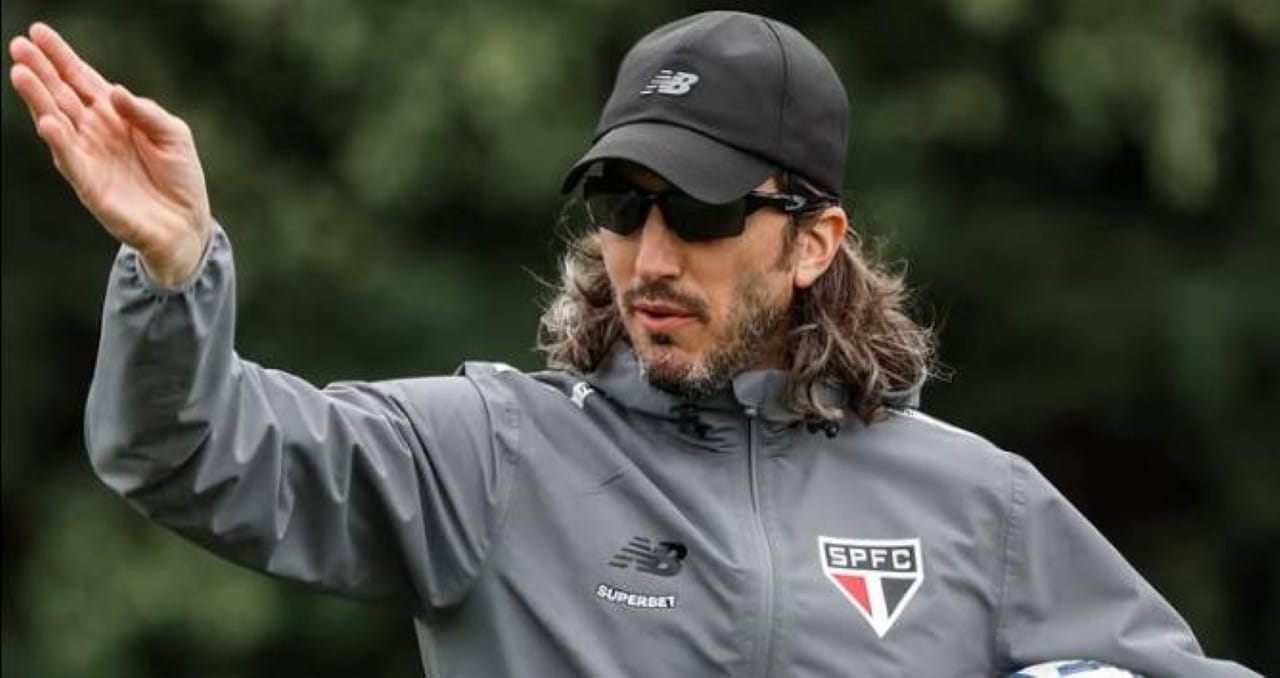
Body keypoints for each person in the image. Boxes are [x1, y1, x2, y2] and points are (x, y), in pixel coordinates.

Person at [7, 11, 1260, 678]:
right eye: (620, 205)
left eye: (700, 213)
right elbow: (189, 453)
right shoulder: (487, 453)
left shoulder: (980, 506)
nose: (648, 256)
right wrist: (174, 271)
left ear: (813, 241)